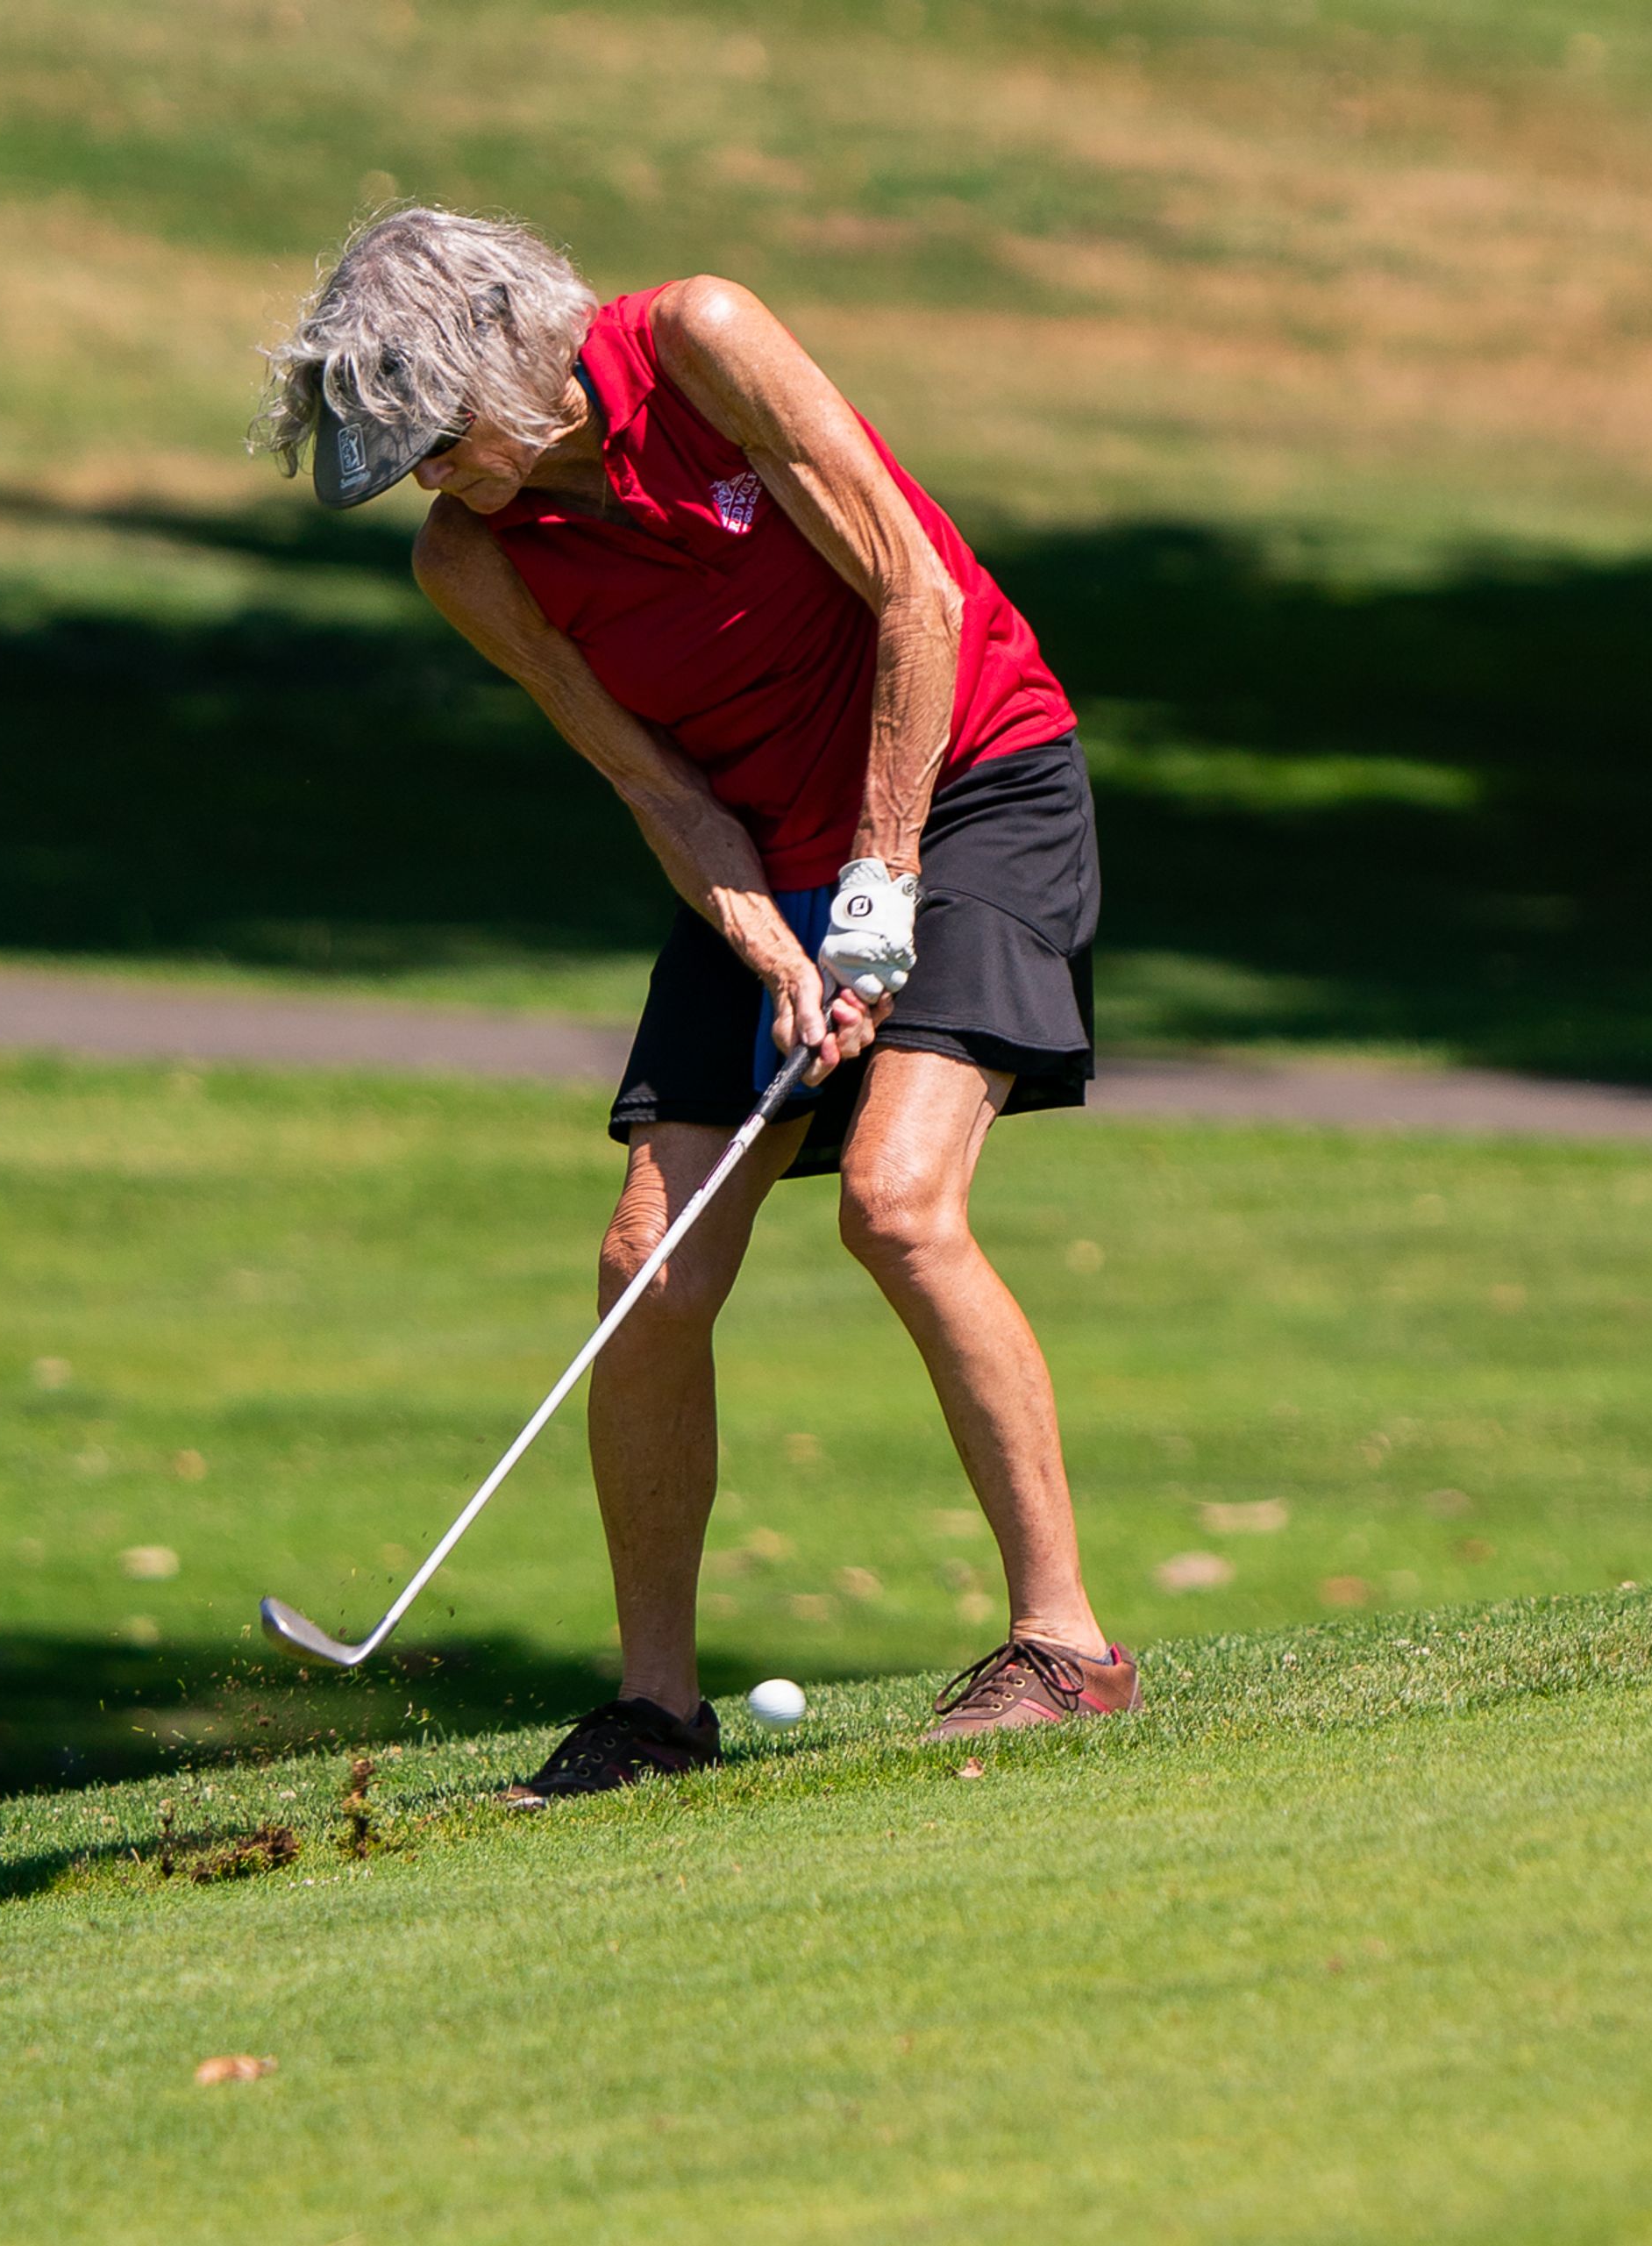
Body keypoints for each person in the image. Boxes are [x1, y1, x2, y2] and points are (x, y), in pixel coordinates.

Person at [252, 207, 1134, 1800]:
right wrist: (779, 946)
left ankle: (1063, 1645)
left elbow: (916, 598)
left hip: (975, 779)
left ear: (507, 363)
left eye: (438, 437)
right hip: (761, 848)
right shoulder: (473, 558)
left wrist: (878, 879)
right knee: (643, 1258)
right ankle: (655, 1711)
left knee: (897, 1202)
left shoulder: (699, 344)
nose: (431, 478)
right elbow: (653, 785)